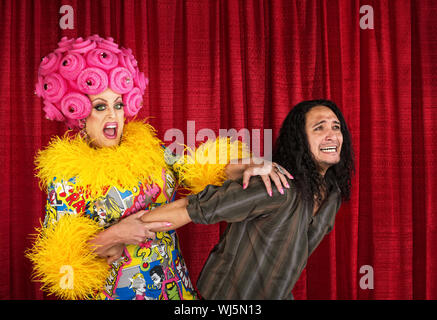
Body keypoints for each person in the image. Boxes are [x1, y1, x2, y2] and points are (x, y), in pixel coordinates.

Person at [26, 35, 291, 300]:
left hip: (173, 291)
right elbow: (62, 263)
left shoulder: (153, 152)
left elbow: (202, 168)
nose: (112, 116)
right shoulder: (66, 176)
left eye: (118, 105)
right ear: (79, 113)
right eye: (100, 106)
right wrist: (115, 235)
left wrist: (249, 166)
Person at [138, 99, 355, 299]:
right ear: (300, 140)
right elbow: (191, 207)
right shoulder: (276, 186)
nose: (332, 135)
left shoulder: (332, 194)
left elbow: (291, 257)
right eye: (319, 127)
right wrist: (125, 230)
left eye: (336, 127)